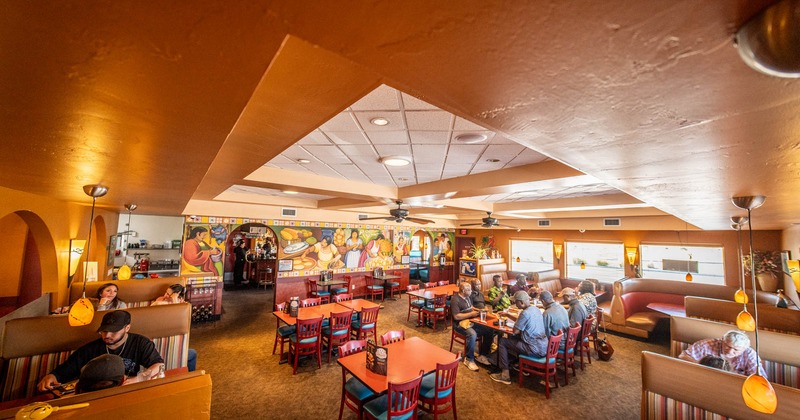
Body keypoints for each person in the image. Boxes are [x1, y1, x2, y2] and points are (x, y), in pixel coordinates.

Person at [37, 310, 164, 392]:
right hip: (96, 394)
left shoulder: (140, 343)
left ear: (127, 328)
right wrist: (52, 376)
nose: (107, 335)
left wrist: (138, 379)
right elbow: (67, 369)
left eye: (113, 331)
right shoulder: (91, 348)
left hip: (126, 391)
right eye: (103, 330)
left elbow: (159, 365)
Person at [490, 291, 548, 384]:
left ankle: (505, 374)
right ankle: (515, 363)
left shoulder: (525, 313)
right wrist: (508, 315)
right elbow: (523, 322)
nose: (514, 303)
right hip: (544, 346)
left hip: (533, 348)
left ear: (521, 302)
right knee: (514, 339)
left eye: (515, 302)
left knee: (502, 341)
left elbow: (515, 331)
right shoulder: (535, 309)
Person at [150, 284, 198, 372]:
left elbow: (180, 321)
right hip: (160, 341)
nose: (165, 296)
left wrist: (175, 300)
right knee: (192, 353)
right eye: (165, 293)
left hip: (172, 342)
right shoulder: (160, 302)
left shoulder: (183, 305)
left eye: (168, 294)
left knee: (192, 353)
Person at [678, 330, 767, 376]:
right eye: (727, 346)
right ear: (722, 340)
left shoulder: (750, 354)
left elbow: (760, 377)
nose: (730, 351)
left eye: (736, 350)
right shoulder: (707, 344)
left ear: (744, 349)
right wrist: (701, 365)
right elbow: (683, 356)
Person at [450, 282, 495, 371]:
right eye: (469, 289)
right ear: (463, 290)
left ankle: (483, 355)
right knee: (472, 334)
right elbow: (456, 316)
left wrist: (480, 310)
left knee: (489, 330)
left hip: (470, 321)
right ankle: (468, 359)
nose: (471, 291)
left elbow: (471, 307)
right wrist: (471, 314)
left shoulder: (467, 297)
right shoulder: (455, 300)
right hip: (459, 324)